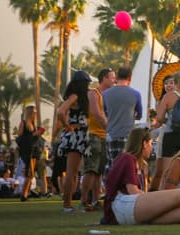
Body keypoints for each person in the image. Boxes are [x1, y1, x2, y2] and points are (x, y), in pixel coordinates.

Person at [56, 70, 92, 213]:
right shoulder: (75, 97)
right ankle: (67, 204)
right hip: (75, 137)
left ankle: (69, 203)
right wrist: (68, 126)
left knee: (75, 172)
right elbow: (60, 112)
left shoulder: (80, 97)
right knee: (71, 173)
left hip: (79, 136)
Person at [153, 72, 180, 188]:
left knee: (167, 169)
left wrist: (168, 120)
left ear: (175, 82)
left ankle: (164, 195)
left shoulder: (168, 97)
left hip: (170, 135)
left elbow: (160, 118)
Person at [81, 68, 114, 210]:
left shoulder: (106, 96)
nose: (114, 80)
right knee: (91, 169)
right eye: (112, 78)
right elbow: (95, 113)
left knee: (99, 170)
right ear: (104, 78)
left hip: (103, 135)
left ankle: (95, 200)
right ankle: (84, 201)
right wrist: (110, 127)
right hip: (93, 135)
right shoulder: (93, 93)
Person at [103, 65, 142, 174]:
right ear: (130, 78)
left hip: (111, 134)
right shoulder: (136, 94)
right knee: (127, 167)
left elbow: (105, 112)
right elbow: (139, 115)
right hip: (128, 136)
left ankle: (110, 189)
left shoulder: (106, 94)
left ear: (117, 77)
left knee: (112, 166)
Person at [15, 104, 42, 202]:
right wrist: (33, 135)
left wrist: (38, 134)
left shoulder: (33, 124)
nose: (35, 114)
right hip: (27, 151)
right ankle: (24, 194)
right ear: (30, 113)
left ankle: (26, 193)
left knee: (31, 174)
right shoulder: (23, 123)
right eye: (34, 112)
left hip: (34, 150)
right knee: (29, 173)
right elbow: (19, 139)